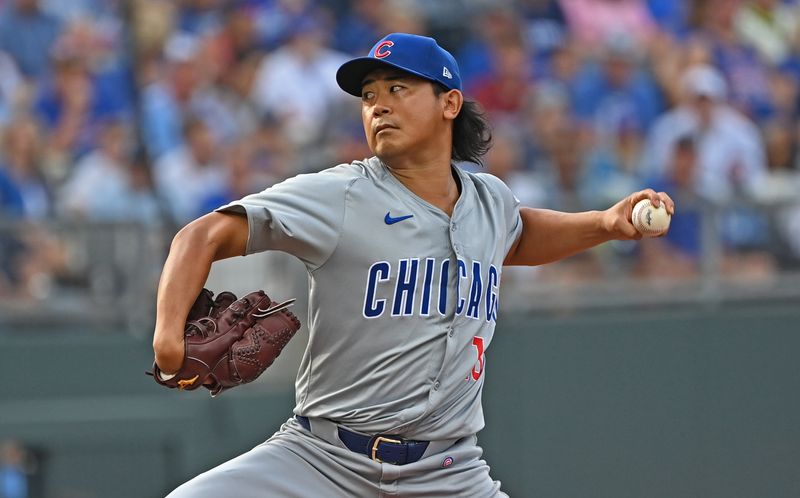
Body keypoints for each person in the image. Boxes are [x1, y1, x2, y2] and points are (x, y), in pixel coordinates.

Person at [152, 32, 674, 497]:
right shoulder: (342, 194)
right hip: (322, 462)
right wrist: (168, 337)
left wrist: (606, 223)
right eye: (369, 95)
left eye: (398, 89)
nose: (378, 105)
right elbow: (203, 234)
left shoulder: (488, 201)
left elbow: (519, 236)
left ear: (450, 103)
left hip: (449, 472)